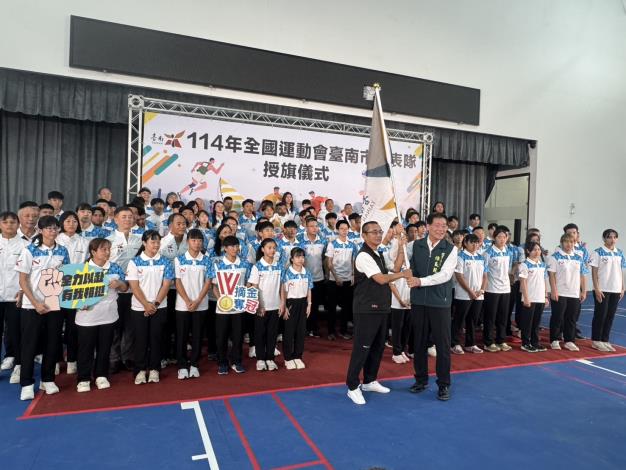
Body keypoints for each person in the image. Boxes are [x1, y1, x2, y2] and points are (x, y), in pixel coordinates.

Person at [345, 221, 411, 405]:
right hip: (366, 309)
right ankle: (352, 386)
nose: (378, 234)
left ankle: (369, 380)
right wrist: (403, 275)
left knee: (378, 347)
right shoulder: (363, 256)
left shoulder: (378, 253)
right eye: (373, 232)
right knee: (362, 348)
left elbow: (395, 268)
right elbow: (381, 279)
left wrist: (401, 247)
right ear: (364, 235)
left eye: (380, 231)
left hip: (382, 307)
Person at [16, 216, 70, 400]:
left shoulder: (62, 250)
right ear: (40, 230)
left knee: (52, 343)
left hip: (54, 304)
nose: (52, 231)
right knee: (30, 345)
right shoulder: (30, 250)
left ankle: (48, 379)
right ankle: (27, 383)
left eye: (55, 228)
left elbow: (67, 276)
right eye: (48, 228)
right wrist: (36, 303)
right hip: (32, 305)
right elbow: (23, 280)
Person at [407, 212, 458, 401]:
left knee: (442, 345)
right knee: (419, 343)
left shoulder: (450, 249)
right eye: (437, 225)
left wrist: (420, 281)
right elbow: (397, 261)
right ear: (427, 226)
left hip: (440, 303)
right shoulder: (414, 245)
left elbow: (445, 275)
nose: (441, 229)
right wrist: (396, 242)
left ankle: (443, 384)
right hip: (419, 302)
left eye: (444, 226)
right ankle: (420, 380)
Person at [75, 238, 128, 392]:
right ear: (93, 252)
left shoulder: (115, 267)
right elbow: (72, 293)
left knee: (105, 347)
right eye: (103, 249)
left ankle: (101, 375)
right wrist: (80, 303)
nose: (107, 252)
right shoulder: (82, 268)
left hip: (108, 315)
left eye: (108, 249)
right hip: (87, 317)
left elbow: (125, 287)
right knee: (86, 349)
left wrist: (119, 284)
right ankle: (83, 378)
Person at [126, 230, 174, 385]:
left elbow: (166, 285)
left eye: (158, 242)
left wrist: (155, 304)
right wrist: (146, 304)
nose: (156, 245)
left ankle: (154, 369)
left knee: (156, 339)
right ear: (144, 243)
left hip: (160, 306)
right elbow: (134, 286)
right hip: (139, 308)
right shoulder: (135, 262)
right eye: (152, 242)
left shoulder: (165, 261)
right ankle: (140, 370)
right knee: (140, 339)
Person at [106, 206, 143, 373]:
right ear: (115, 219)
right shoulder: (109, 239)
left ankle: (128, 357)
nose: (128, 219)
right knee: (114, 326)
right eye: (124, 216)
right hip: (114, 289)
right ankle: (113, 359)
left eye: (130, 216)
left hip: (134, 289)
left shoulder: (140, 239)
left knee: (130, 326)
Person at [209, 236, 251, 375]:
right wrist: (220, 299)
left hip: (238, 306)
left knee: (238, 336)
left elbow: (248, 282)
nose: (235, 249)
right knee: (221, 337)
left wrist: (243, 297)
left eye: (236, 246)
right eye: (231, 246)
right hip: (223, 307)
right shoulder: (218, 264)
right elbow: (214, 285)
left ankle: (237, 361)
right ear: (225, 248)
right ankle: (222, 363)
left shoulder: (245, 264)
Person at [174, 229, 212, 379]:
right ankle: (182, 365)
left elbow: (208, 282)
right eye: (194, 240)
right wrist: (187, 300)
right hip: (182, 305)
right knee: (181, 336)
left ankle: (195, 364)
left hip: (201, 304)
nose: (197, 243)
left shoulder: (207, 260)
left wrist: (197, 301)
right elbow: (177, 282)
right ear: (187, 241)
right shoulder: (179, 259)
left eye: (199, 241)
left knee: (198, 336)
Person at [56, 211, 89, 374]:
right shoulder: (55, 240)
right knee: (54, 327)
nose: (71, 224)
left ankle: (72, 359)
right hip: (55, 289)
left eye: (74, 221)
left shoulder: (84, 241)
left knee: (72, 327)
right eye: (68, 221)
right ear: (62, 223)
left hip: (76, 289)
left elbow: (87, 265)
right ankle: (55, 359)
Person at [547, 233, 588, 351]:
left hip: (574, 293)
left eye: (571, 242)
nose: (569, 244)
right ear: (561, 243)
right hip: (560, 292)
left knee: (571, 318)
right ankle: (554, 340)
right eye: (566, 241)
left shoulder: (578, 257)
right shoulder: (555, 257)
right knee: (557, 317)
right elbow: (551, 275)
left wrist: (583, 291)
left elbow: (582, 275)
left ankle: (569, 340)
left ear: (574, 243)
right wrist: (553, 290)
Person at [248, 238, 283, 371]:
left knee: (272, 334)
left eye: (274, 248)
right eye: (269, 247)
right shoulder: (257, 266)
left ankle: (270, 359)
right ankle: (260, 359)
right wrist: (259, 305)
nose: (272, 250)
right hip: (262, 307)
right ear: (263, 249)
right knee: (260, 334)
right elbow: (254, 286)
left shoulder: (279, 265)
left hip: (275, 306)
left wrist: (282, 303)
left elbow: (282, 286)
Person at [0, 212, 27, 383]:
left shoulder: (25, 245)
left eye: (12, 222)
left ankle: (19, 365)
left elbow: (29, 272)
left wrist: (23, 290)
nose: (9, 225)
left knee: (16, 332)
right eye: (5, 222)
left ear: (18, 224)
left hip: (16, 295)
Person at [590, 229, 625, 352]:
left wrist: (622, 287)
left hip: (615, 289)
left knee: (610, 315)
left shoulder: (619, 253)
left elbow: (621, 271)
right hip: (602, 289)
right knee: (601, 314)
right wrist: (597, 288)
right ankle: (596, 340)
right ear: (604, 238)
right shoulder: (598, 252)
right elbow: (594, 272)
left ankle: (605, 340)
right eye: (609, 237)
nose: (612, 239)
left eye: (615, 237)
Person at [451, 233, 487, 355]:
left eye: (477, 242)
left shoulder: (480, 257)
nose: (475, 245)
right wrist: (470, 291)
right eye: (472, 242)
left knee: (473, 320)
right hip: (464, 294)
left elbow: (485, 276)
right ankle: (454, 343)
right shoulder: (460, 256)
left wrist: (481, 290)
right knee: (459, 320)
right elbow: (459, 276)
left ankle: (470, 344)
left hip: (478, 295)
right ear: (465, 243)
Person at [482, 226, 514, 353]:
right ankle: (488, 342)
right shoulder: (488, 252)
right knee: (490, 317)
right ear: (494, 238)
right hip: (492, 289)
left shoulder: (508, 251)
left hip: (505, 288)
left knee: (503, 316)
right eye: (499, 237)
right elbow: (484, 271)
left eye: (504, 237)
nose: (502, 239)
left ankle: (501, 340)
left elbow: (509, 269)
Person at [280, 247, 313, 370]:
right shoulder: (287, 273)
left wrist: (309, 304)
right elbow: (283, 291)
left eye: (302, 257)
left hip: (303, 303)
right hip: (291, 303)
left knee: (301, 331)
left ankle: (297, 356)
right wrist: (284, 306)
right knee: (289, 331)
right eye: (298, 257)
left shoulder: (307, 272)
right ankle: (288, 358)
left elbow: (309, 289)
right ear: (292, 259)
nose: (301, 259)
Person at [325, 219, 357, 341]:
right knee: (332, 307)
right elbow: (329, 263)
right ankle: (331, 332)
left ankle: (343, 331)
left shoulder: (352, 244)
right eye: (342, 229)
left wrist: (353, 275)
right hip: (334, 280)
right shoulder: (332, 244)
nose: (344, 231)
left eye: (346, 229)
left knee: (346, 307)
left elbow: (353, 261)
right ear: (337, 230)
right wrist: (336, 277)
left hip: (348, 279)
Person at [517, 241, 549, 353]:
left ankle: (535, 342)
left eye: (539, 249)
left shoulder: (542, 264)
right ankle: (525, 343)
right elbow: (523, 282)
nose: (537, 252)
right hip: (529, 298)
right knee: (527, 322)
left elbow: (544, 281)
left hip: (540, 297)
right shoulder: (524, 265)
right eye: (534, 250)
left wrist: (545, 296)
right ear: (528, 251)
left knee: (536, 322)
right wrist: (526, 298)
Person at [298, 216, 327, 337]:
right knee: (303, 304)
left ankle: (313, 328)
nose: (314, 228)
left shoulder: (323, 241)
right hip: (304, 278)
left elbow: (324, 258)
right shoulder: (300, 240)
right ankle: (303, 328)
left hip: (319, 277)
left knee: (314, 305)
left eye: (316, 226)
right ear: (306, 227)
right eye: (311, 226)